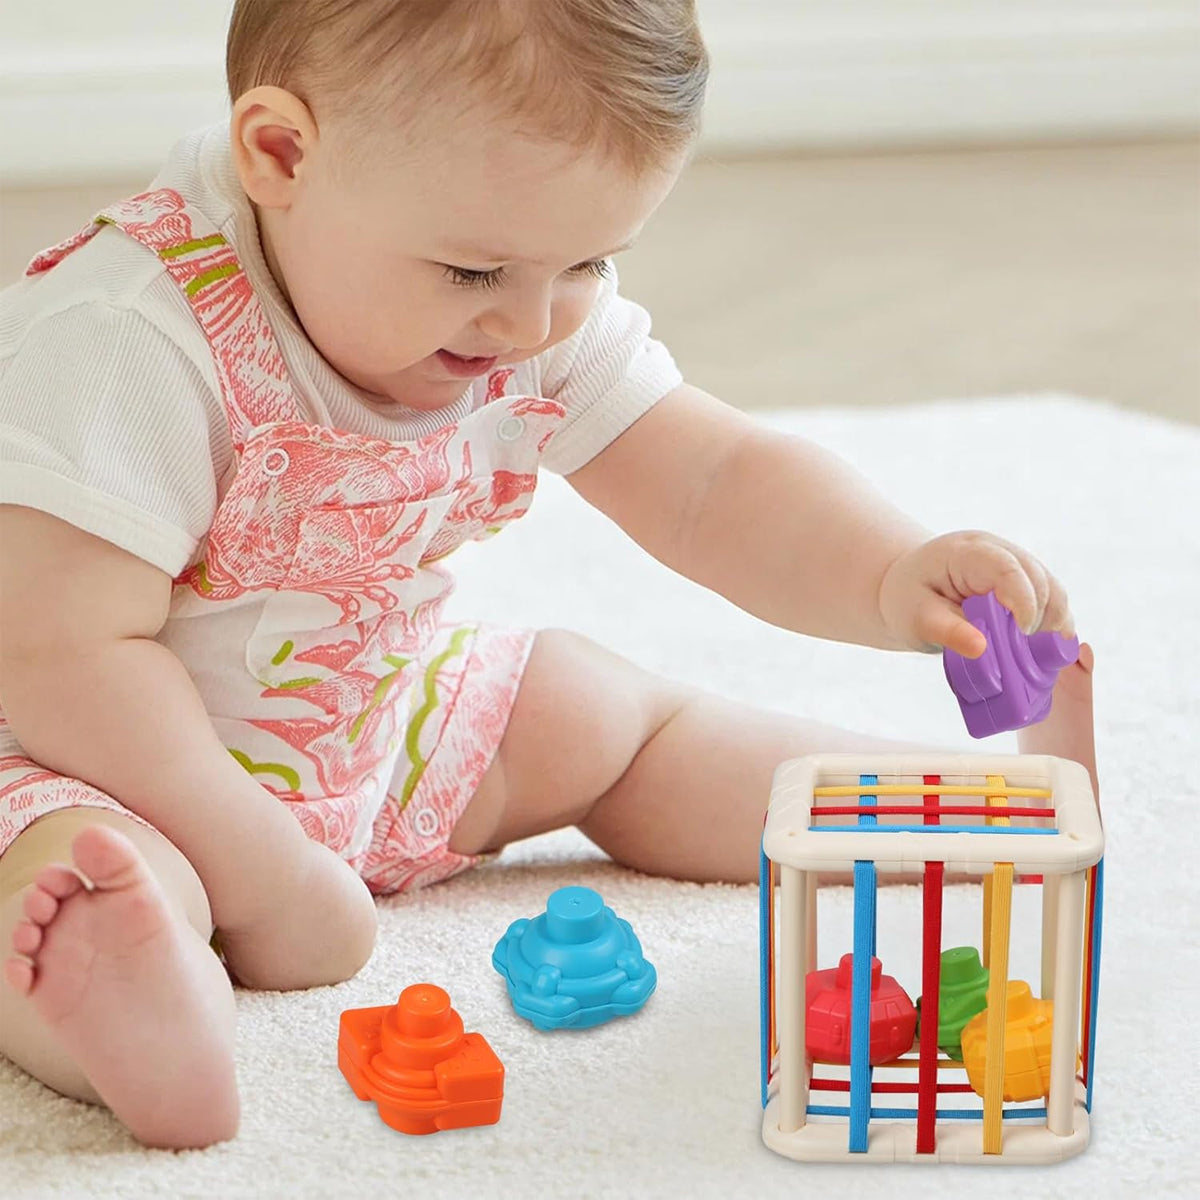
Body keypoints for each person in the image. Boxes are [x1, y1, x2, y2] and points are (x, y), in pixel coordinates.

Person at [0, 0, 1096, 1150]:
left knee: (591, 706)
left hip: (359, 716)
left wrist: (885, 571)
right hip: (81, 749)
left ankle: (918, 811)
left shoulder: (511, 294)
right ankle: (132, 1021)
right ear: (279, 154)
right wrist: (265, 883)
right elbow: (65, 655)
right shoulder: (129, 337)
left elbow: (709, 479)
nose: (529, 323)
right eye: (477, 270)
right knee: (82, 876)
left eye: (590, 259)